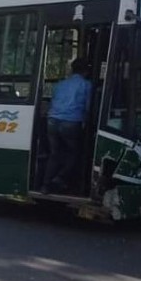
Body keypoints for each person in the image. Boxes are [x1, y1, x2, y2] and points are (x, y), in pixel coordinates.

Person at [41, 58, 93, 194]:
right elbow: (88, 108)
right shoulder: (86, 85)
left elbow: (53, 102)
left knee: (54, 154)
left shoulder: (60, 84)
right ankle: (60, 178)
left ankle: (45, 185)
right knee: (74, 153)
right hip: (71, 122)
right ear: (86, 71)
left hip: (52, 121)